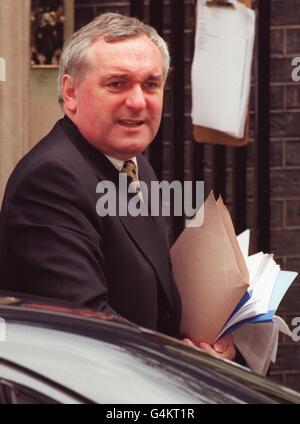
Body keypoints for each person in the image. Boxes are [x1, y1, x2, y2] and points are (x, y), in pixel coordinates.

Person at [0, 13, 235, 360]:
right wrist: (185, 362)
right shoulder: (50, 181)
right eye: (117, 84)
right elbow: (88, 327)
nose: (138, 102)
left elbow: (154, 300)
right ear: (70, 93)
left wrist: (206, 344)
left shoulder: (137, 166)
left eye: (151, 84)